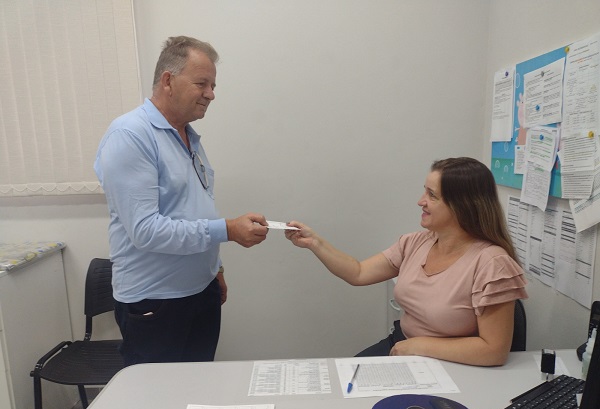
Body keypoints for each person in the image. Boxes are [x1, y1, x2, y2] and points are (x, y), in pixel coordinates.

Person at [94, 36, 269, 367]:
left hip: (200, 291)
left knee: (196, 389)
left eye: (213, 85)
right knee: (157, 395)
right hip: (156, 302)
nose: (211, 94)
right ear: (168, 81)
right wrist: (228, 230)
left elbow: (193, 207)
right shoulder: (130, 135)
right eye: (202, 83)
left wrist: (214, 269)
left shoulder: (187, 136)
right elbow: (145, 230)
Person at [285, 157, 527, 366]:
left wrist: (420, 346)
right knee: (346, 378)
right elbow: (358, 272)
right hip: (404, 346)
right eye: (425, 191)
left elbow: (494, 350)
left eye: (432, 195)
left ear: (462, 206)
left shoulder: (492, 263)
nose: (421, 201)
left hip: (451, 363)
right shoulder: (415, 243)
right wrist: (314, 242)